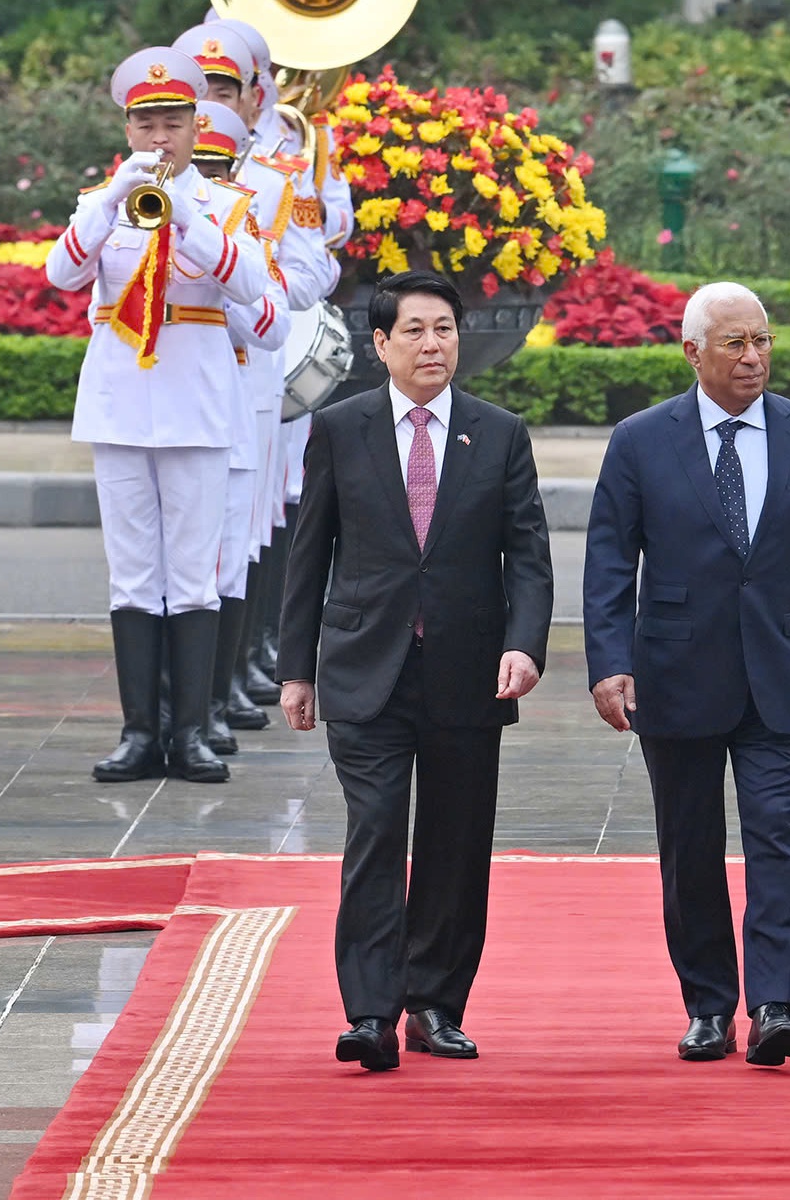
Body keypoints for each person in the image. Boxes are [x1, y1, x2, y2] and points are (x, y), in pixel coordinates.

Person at [277, 270, 553, 1072]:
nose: (433, 344)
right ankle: (370, 1012)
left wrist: (525, 645)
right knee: (375, 834)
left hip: (468, 671)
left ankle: (434, 1004)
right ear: (381, 343)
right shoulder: (341, 428)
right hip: (366, 668)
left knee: (454, 844)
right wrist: (297, 670)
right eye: (416, 331)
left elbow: (528, 554)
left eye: (445, 329)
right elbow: (309, 554)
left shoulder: (499, 433)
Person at [584, 282, 790, 1066]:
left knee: (777, 837)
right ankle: (709, 1005)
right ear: (692, 352)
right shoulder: (640, 441)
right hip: (675, 674)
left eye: (762, 341)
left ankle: (775, 1006)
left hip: (781, 672)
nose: (753, 357)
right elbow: (609, 562)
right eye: (735, 343)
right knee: (690, 848)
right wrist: (610, 663)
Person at [45, 48, 268, 785]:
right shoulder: (103, 200)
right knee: (134, 576)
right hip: (119, 405)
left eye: (173, 124)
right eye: (147, 125)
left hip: (196, 404)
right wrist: (114, 198)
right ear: (128, 129)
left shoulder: (224, 203)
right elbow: (62, 273)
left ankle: (192, 732)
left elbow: (251, 286)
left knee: (195, 576)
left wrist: (190, 217)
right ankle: (139, 732)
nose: (160, 138)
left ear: (196, 125)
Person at [189, 97, 293, 756]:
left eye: (215, 167)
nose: (204, 178)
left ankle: (212, 699)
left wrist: (221, 280)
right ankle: (165, 713)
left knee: (229, 558)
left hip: (237, 405)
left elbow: (272, 318)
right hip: (168, 408)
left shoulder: (247, 222)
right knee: (165, 571)